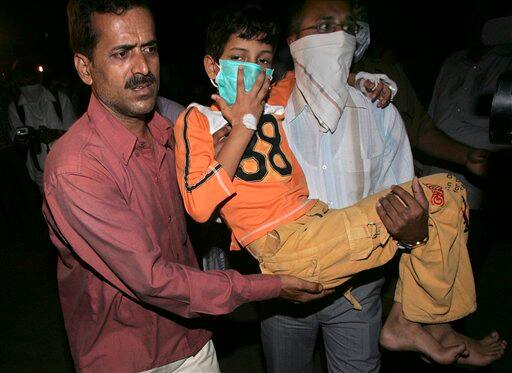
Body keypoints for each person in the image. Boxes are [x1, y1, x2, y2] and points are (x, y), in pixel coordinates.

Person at [174, 3, 506, 367]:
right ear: (213, 66)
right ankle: (415, 324)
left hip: (323, 231)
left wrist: (365, 80)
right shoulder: (199, 119)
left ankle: (423, 320)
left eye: (263, 60)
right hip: (285, 248)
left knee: (445, 193)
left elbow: (319, 76)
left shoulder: (277, 99)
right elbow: (199, 206)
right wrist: (243, 126)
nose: (252, 70)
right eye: (239, 58)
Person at [42, 1, 328, 372]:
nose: (143, 67)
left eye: (150, 48)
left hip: (192, 341)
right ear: (85, 68)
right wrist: (268, 286)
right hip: (130, 357)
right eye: (121, 53)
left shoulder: (170, 134)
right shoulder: (76, 169)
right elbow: (153, 280)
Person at [8, 58, 76, 192]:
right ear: (17, 84)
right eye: (23, 83)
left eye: (31, 81)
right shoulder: (16, 108)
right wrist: (25, 139)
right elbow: (17, 139)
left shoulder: (59, 99)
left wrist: (55, 134)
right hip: (39, 172)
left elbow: (75, 133)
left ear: (39, 79)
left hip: (67, 167)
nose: (29, 87)